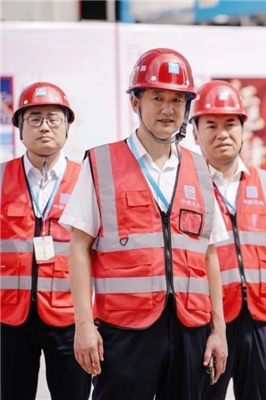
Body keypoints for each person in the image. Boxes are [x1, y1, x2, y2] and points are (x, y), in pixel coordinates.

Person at [59, 48, 229, 400]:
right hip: (125, 331)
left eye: (177, 100)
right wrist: (83, 325)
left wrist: (219, 329)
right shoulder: (102, 163)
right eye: (157, 98)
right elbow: (78, 247)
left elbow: (209, 254)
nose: (168, 109)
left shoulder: (200, 169)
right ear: (135, 102)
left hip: (190, 329)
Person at [191, 80, 266, 400]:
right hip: (209, 322)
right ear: (195, 133)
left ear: (243, 129)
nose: (222, 133)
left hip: (263, 320)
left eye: (230, 124)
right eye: (211, 125)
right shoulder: (188, 187)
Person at [0, 82, 91, 400]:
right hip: (9, 318)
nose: (44, 127)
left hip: (70, 318)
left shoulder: (87, 180)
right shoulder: (1, 177)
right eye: (35, 118)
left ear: (67, 126)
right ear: (19, 128)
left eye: (53, 118)